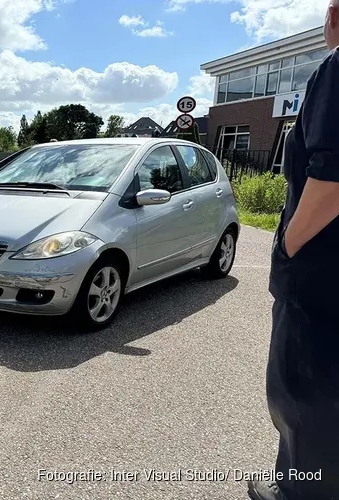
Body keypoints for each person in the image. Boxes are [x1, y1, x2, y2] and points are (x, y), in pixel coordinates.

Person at [248, 1, 339, 499]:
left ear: (332, 15)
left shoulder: (338, 68)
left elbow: (330, 184)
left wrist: (288, 245)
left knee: (303, 392)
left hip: (322, 277)